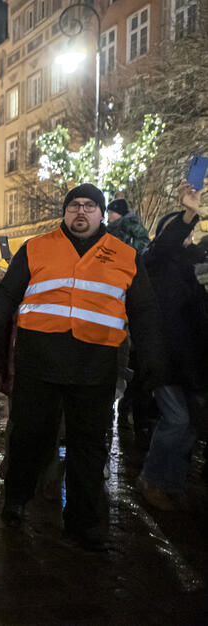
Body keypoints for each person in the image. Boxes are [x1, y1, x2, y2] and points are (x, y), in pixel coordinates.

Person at [0, 183, 165, 551]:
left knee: (89, 445)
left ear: (102, 214)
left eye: (89, 206)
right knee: (30, 437)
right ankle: (16, 497)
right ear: (65, 212)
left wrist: (153, 358)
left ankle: (82, 521)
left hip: (94, 363)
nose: (80, 212)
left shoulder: (126, 255)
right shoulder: (36, 247)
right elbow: (6, 296)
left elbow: (144, 310)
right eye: (74, 206)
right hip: (40, 360)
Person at [137, 182, 208, 511]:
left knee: (192, 423)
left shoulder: (193, 269)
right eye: (178, 226)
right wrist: (188, 212)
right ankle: (152, 478)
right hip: (164, 356)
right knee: (177, 420)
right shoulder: (155, 262)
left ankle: (173, 482)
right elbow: (164, 246)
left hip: (192, 359)